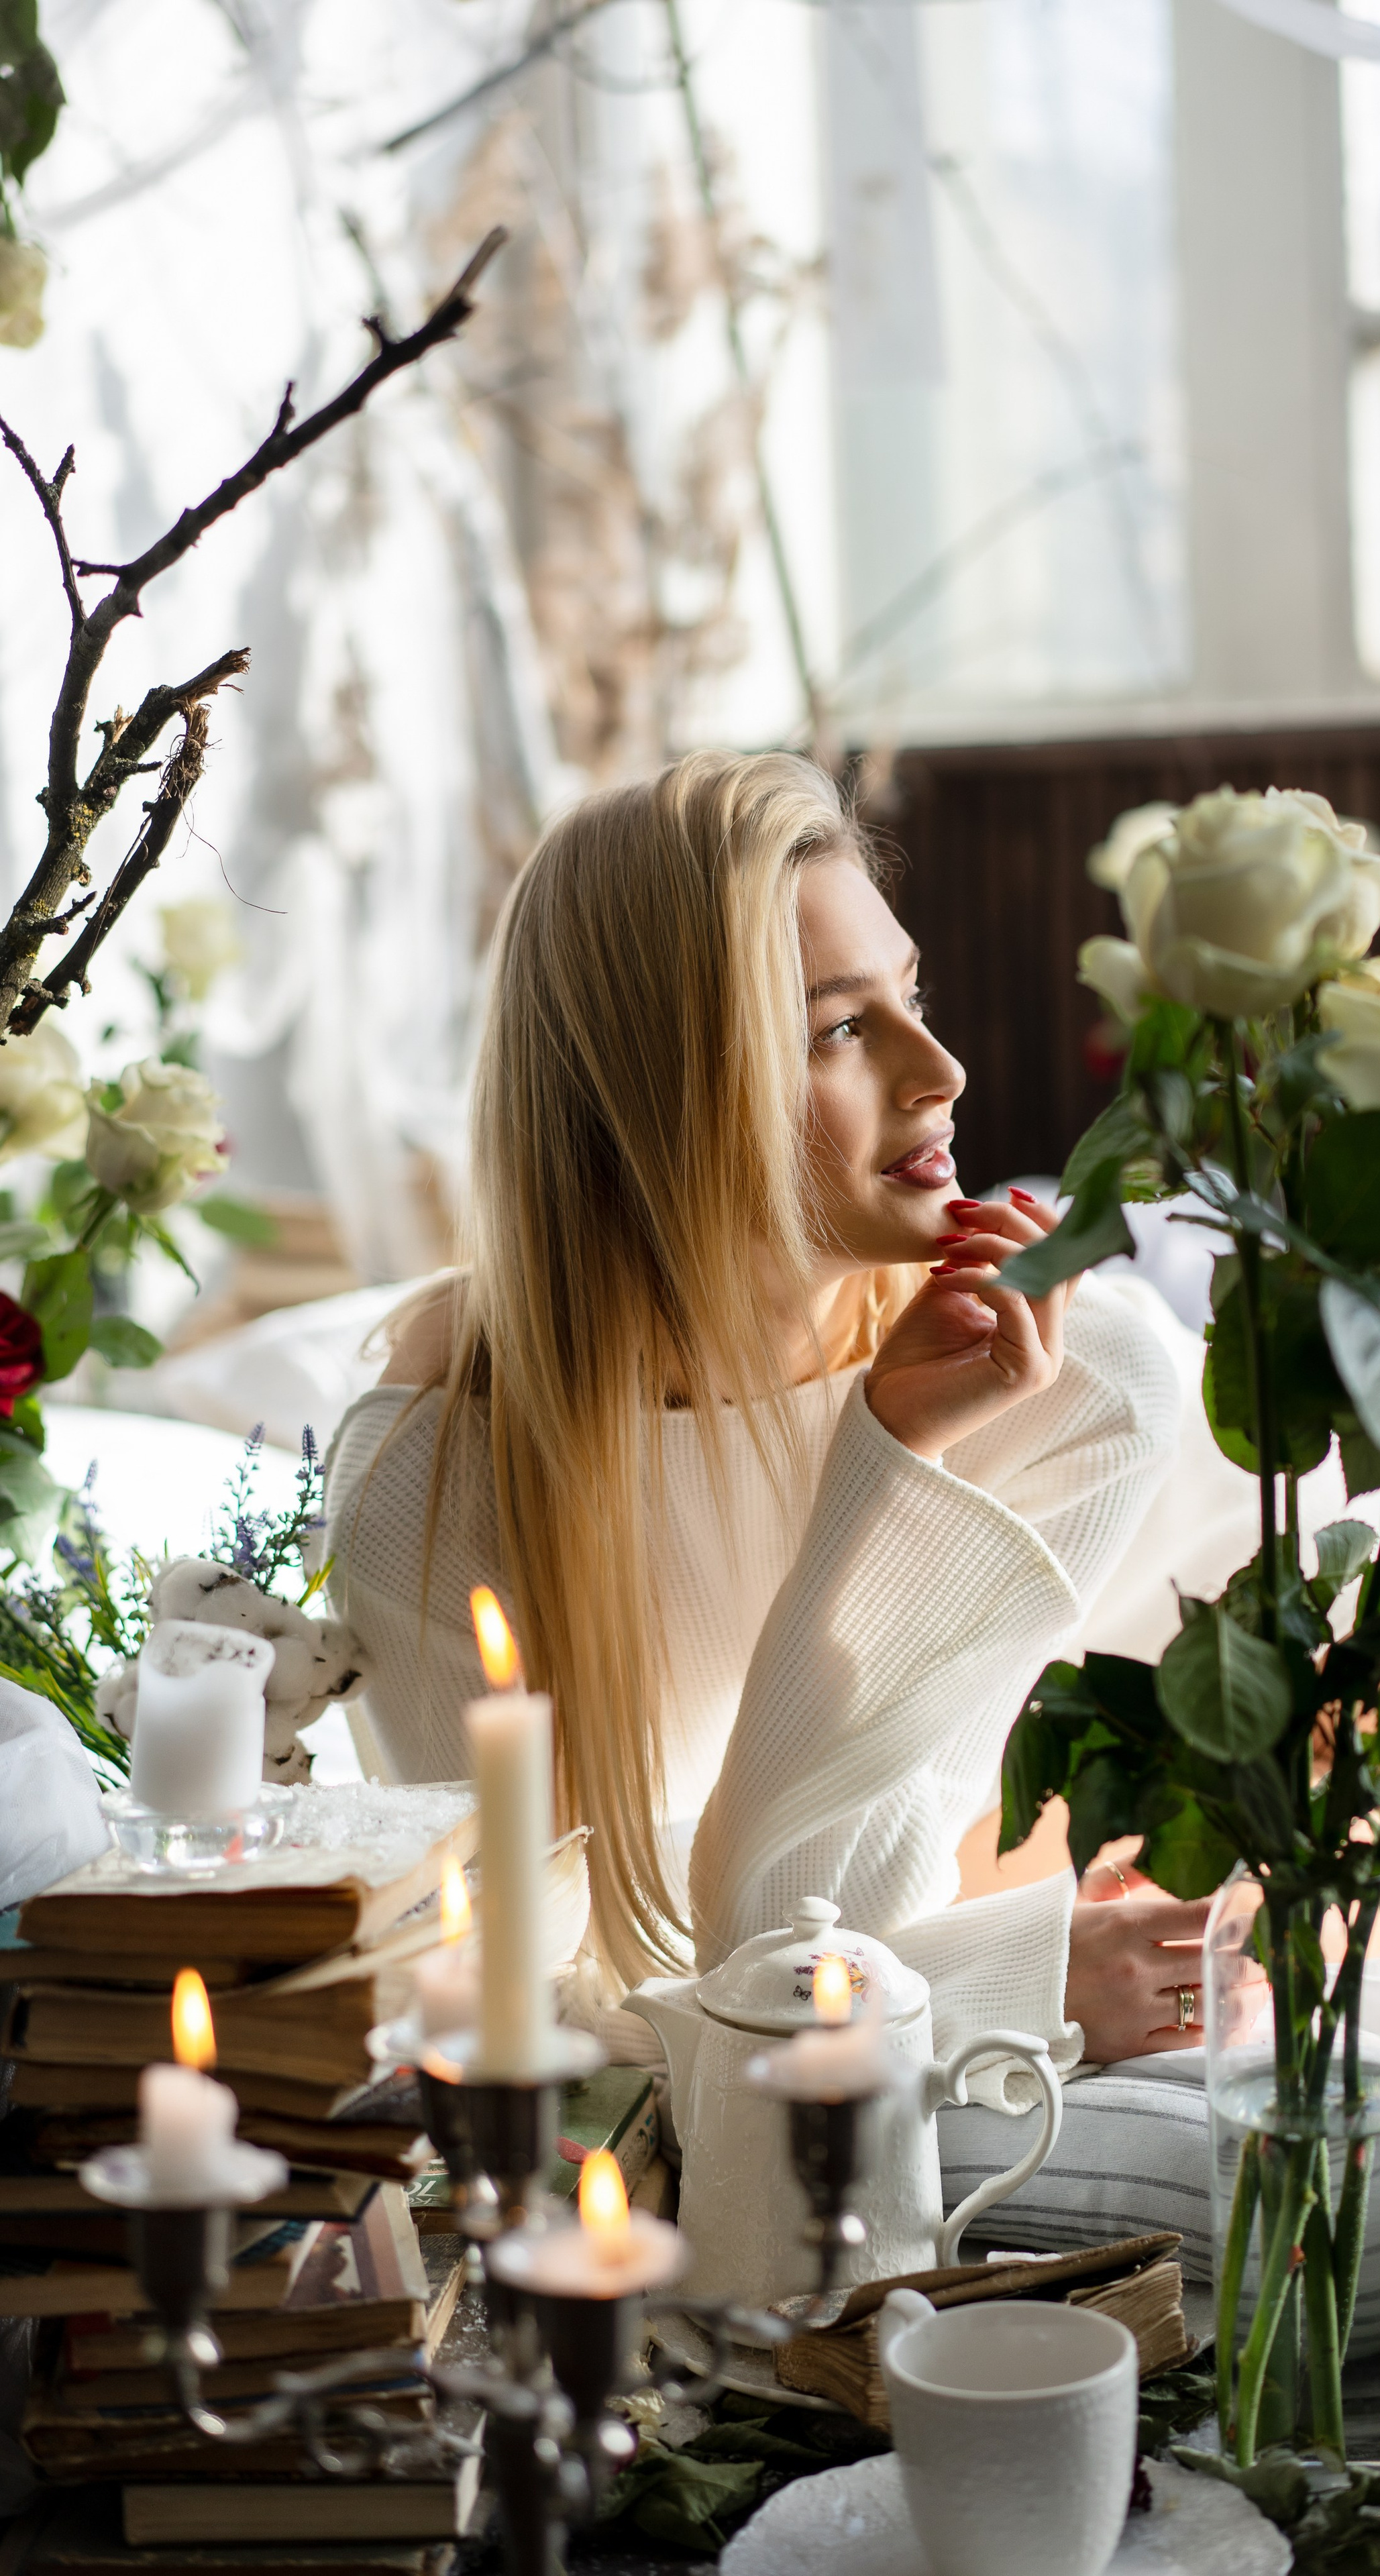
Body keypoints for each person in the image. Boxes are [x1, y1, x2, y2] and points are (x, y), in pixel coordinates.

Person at [324, 749, 1210, 2084]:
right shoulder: (433, 1487)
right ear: (657, 1095)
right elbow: (589, 2011)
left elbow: (784, 1943)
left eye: (912, 996)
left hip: (1286, 1652)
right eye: (838, 1029)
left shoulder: (1072, 1379)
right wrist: (888, 1461)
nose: (944, 1071)